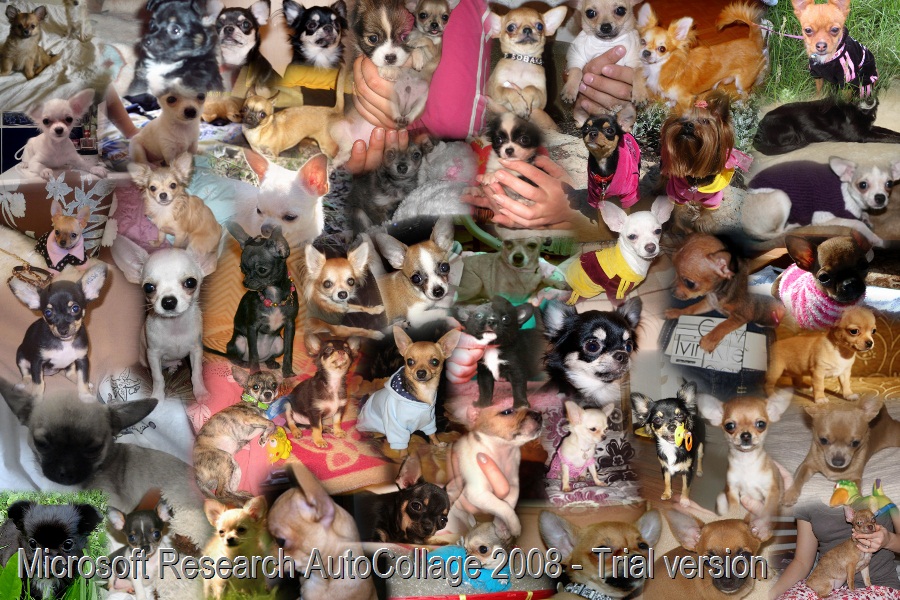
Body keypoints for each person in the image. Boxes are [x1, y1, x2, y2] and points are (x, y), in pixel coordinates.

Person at [770, 502, 900, 599]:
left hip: (880, 585)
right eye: (860, 523)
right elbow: (801, 561)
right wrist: (770, 594)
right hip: (827, 580)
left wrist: (889, 540)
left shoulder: (886, 484)